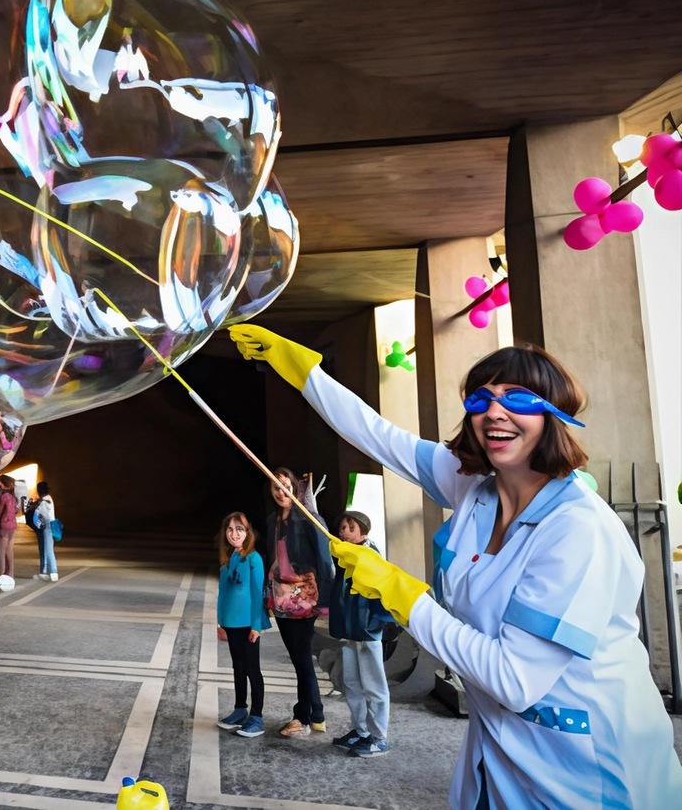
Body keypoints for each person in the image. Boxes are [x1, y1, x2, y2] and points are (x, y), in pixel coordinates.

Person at [231, 324, 682, 807]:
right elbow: (379, 436)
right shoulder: (475, 488)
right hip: (499, 752)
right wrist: (306, 374)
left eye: (519, 399)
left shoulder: (579, 530)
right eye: (480, 400)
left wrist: (403, 596)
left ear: (556, 414)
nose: (494, 413)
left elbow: (513, 678)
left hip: (590, 768)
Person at [263, 466, 333, 737]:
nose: (280, 491)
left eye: (284, 485)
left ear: (293, 486)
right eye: (275, 486)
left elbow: (325, 558)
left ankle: (305, 715)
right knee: (298, 659)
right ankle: (314, 712)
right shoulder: (273, 520)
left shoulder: (307, 517)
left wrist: (324, 599)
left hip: (304, 598)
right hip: (281, 599)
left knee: (302, 659)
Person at [328, 510, 391, 758]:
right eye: (342, 528)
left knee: (374, 685)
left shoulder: (369, 555)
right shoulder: (348, 557)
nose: (344, 532)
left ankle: (378, 738)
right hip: (351, 630)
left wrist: (370, 624)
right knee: (352, 683)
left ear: (364, 531)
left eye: (350, 528)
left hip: (367, 631)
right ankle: (360, 731)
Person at [215, 511, 269, 738]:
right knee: (238, 666)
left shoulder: (254, 559)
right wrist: (220, 622)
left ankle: (257, 716)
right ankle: (240, 709)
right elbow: (223, 594)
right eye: (230, 529)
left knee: (252, 669)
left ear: (247, 533)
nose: (234, 533)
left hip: (248, 624)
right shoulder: (231, 558)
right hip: (231, 623)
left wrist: (256, 626)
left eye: (239, 529)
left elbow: (258, 595)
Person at [0, 474, 18, 584]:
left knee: (1, 551)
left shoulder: (3, 497)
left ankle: (1, 574)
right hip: (12, 525)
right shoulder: (13, 497)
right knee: (9, 550)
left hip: (3, 525)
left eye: (0, 484)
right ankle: (10, 573)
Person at [31, 481, 58, 581]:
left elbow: (40, 516)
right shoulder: (49, 499)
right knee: (48, 549)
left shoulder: (43, 502)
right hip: (50, 526)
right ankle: (47, 572)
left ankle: (51, 572)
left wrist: (34, 509)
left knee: (47, 550)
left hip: (46, 527)